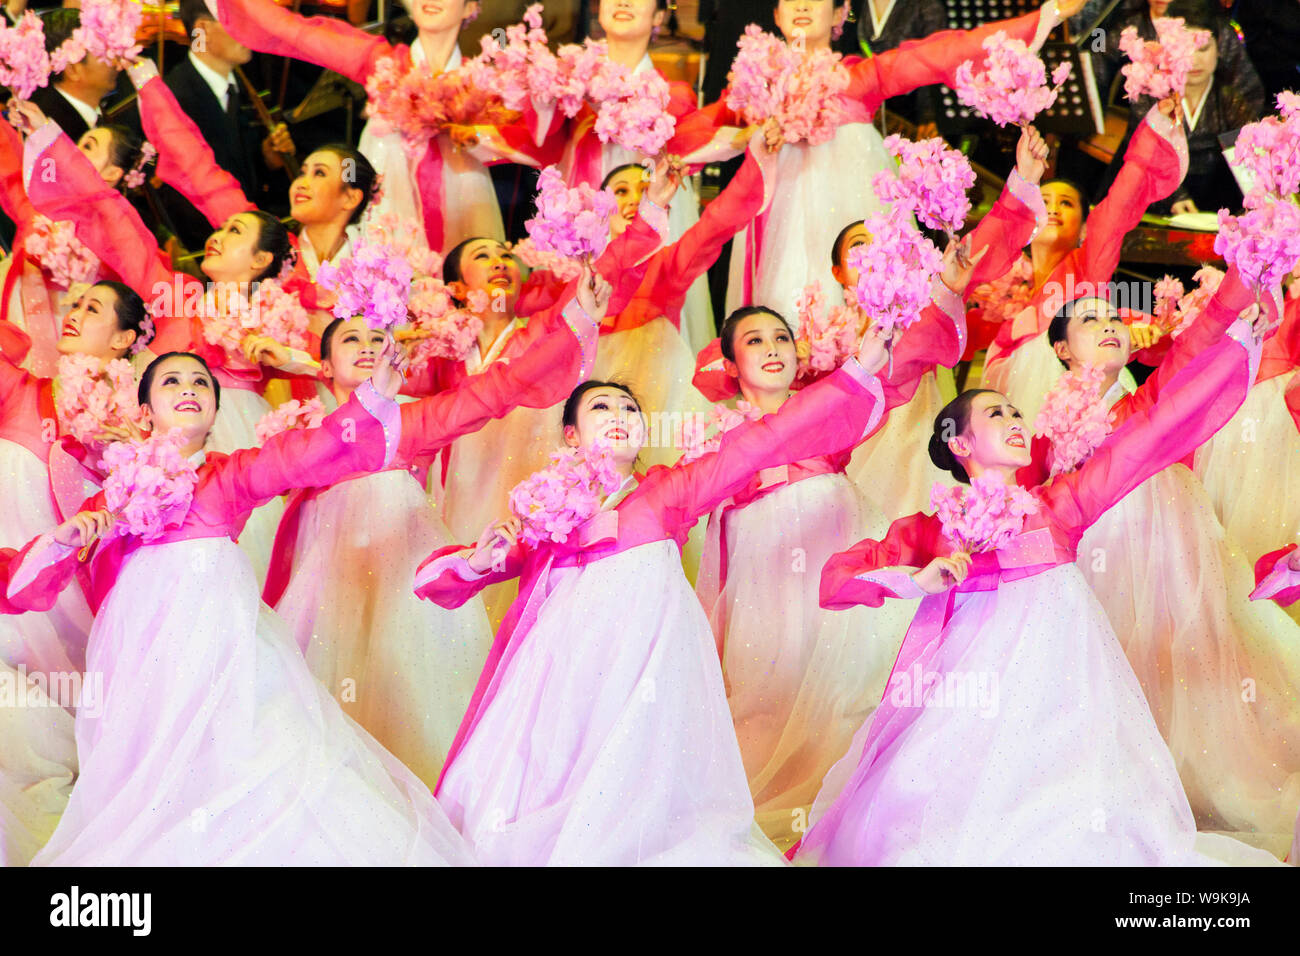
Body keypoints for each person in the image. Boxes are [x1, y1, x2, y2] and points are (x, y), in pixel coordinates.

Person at [798, 306, 1282, 865]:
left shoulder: (1060, 503)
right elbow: (836, 578)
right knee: (930, 811)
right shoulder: (935, 528)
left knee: (1070, 797)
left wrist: (1235, 349)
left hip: (1060, 672)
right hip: (970, 686)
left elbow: (1153, 433)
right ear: (960, 443)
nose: (1015, 421)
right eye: (996, 413)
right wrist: (916, 579)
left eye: (1016, 413)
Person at [414, 325, 896, 864]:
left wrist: (855, 374)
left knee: (630, 793)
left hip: (642, 671)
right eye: (602, 407)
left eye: (629, 408)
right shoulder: (548, 509)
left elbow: (768, 439)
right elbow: (448, 578)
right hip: (558, 677)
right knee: (532, 789)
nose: (620, 415)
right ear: (570, 435)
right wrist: (480, 560)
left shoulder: (667, 491)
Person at [6, 343, 476, 866]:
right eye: (171, 382)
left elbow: (303, 453)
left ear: (214, 413)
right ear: (142, 413)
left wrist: (370, 399)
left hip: (224, 645)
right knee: (154, 775)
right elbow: (34, 579)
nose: (188, 388)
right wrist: (70, 537)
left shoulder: (227, 476)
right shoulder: (113, 495)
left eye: (200, 383)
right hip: (142, 660)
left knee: (258, 752)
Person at [264, 265, 610, 789]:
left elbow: (501, 388)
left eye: (378, 338)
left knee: (409, 694)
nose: (366, 346)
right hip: (328, 584)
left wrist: (576, 319)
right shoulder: (301, 434)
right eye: (350, 338)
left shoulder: (414, 420)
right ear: (323, 362)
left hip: (405, 582)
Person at [158, 0, 295, 252]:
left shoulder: (250, 85)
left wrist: (267, 159)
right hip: (206, 246)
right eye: (238, 20)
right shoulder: (172, 97)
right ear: (203, 29)